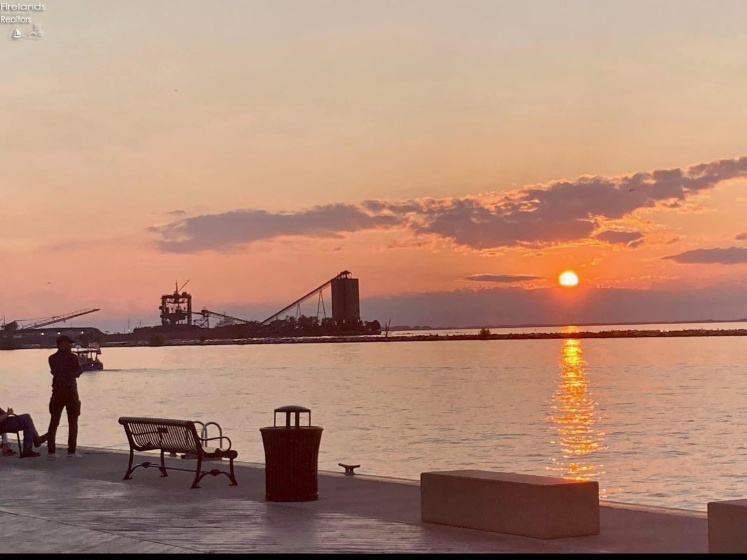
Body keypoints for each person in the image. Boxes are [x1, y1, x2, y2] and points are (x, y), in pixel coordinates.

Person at [46, 334, 84, 460]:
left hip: (56, 392)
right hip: (71, 392)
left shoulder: (51, 358)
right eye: (69, 343)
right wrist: (79, 369)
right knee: (73, 423)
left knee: (54, 422)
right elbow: (77, 373)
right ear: (63, 344)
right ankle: (71, 452)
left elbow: (53, 372)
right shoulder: (72, 357)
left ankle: (51, 452)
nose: (71, 346)